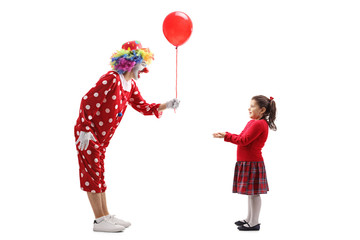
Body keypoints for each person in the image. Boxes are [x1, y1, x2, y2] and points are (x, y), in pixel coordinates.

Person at [74, 40, 180, 232]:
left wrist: (167, 104)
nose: (144, 69)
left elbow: (143, 107)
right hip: (88, 133)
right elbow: (87, 101)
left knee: (99, 174)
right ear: (131, 62)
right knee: (93, 174)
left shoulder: (129, 84)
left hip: (102, 138)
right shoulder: (112, 78)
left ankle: (105, 216)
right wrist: (83, 129)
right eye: (142, 64)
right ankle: (99, 221)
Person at [213, 95, 277, 231]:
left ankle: (254, 222)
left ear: (262, 110)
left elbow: (244, 141)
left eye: (252, 106)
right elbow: (241, 137)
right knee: (251, 193)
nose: (249, 108)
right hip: (246, 162)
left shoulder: (260, 124)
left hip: (252, 163)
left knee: (254, 194)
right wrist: (226, 135)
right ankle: (249, 219)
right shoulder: (252, 122)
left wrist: (226, 135)